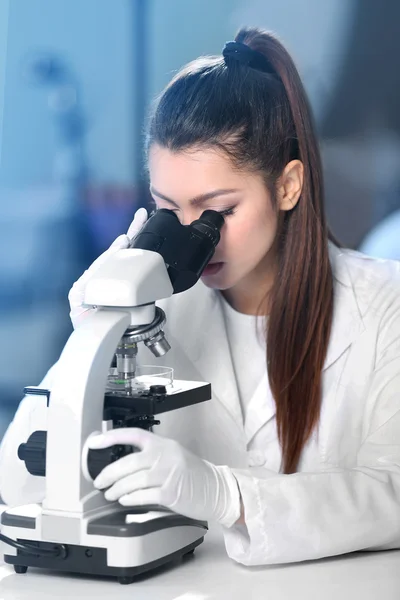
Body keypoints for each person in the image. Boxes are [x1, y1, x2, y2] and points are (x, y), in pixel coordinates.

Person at [1, 27, 400, 567]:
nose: (194, 235)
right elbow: (18, 482)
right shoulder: (151, 317)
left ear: (288, 186)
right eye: (169, 209)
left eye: (218, 213)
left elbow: (392, 495)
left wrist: (226, 496)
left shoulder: (383, 306)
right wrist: (91, 335)